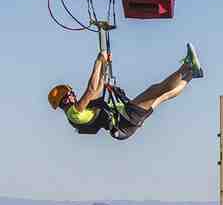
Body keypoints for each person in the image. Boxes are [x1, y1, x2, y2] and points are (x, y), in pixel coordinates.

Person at [48, 43, 204, 141]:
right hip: (124, 119)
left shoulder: (77, 113)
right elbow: (91, 89)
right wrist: (98, 61)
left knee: (163, 95)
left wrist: (104, 64)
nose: (73, 95)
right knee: (158, 90)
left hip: (124, 122)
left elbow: (98, 86)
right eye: (70, 94)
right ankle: (188, 66)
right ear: (64, 100)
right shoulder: (74, 113)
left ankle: (192, 74)